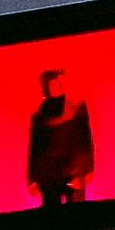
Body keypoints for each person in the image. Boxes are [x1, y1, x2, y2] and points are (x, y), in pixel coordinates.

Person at [26, 64, 94, 209]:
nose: (56, 89)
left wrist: (85, 170)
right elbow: (36, 149)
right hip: (49, 177)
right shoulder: (39, 119)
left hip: (73, 173)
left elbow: (84, 141)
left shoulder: (77, 111)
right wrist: (33, 179)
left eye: (58, 85)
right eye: (52, 86)